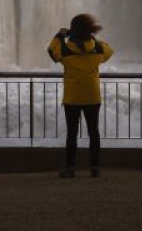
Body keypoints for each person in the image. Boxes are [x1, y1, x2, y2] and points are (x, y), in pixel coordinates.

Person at [47, 13, 114, 178]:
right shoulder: (97, 49)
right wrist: (91, 37)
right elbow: (108, 50)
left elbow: (51, 50)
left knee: (72, 133)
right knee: (94, 132)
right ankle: (95, 167)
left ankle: (70, 168)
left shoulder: (65, 49)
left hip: (73, 97)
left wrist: (60, 35)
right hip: (93, 96)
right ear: (90, 31)